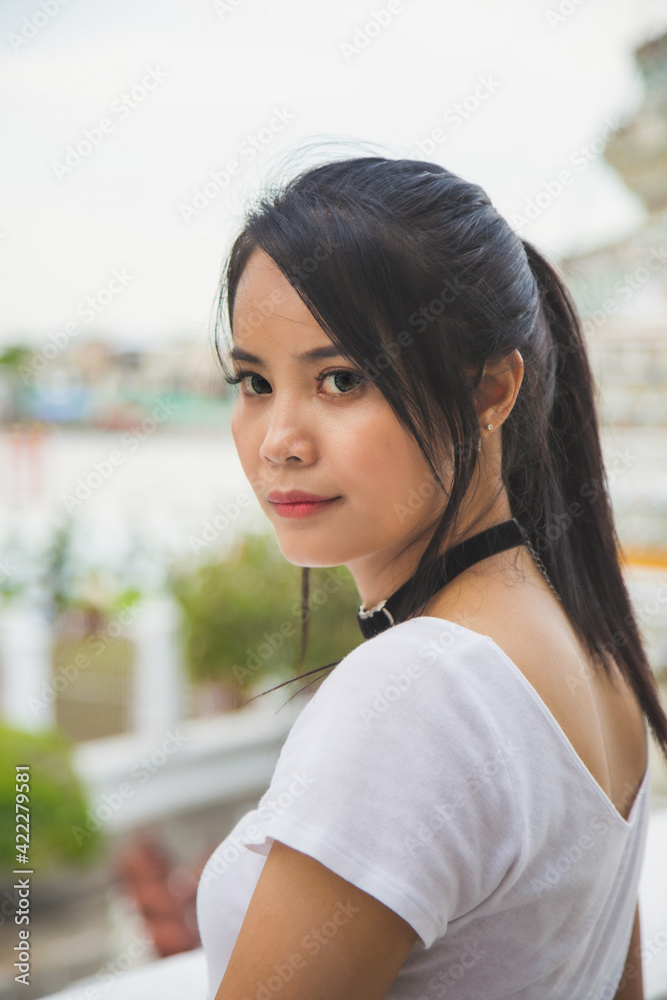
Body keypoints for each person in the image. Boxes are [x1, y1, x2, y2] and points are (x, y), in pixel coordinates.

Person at [196, 155, 667, 1000]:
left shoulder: (421, 687)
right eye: (254, 382)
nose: (278, 440)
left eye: (341, 380)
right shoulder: (590, 652)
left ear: (492, 387)